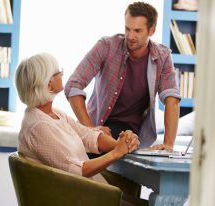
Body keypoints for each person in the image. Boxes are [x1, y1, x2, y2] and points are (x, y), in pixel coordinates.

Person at [15, 53, 145, 205]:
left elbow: (87, 136)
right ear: (48, 84)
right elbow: (78, 171)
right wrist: (117, 152)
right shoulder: (39, 126)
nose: (62, 75)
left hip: (86, 192)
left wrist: (122, 144)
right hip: (74, 198)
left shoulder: (54, 113)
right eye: (58, 73)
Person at [65, 2, 181, 151]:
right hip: (96, 124)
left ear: (151, 31)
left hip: (128, 130)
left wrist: (168, 145)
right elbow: (73, 85)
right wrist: (90, 130)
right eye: (127, 29)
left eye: (137, 31)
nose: (130, 36)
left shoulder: (162, 56)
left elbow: (172, 99)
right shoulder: (107, 46)